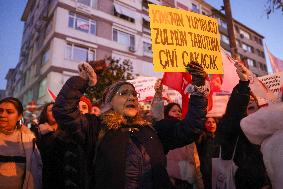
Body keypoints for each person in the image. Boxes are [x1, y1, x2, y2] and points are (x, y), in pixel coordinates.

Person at [52, 61, 209, 189]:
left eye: (134, 94)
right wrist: (83, 79)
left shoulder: (153, 128)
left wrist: (199, 91)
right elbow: (63, 111)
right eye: (123, 93)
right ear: (109, 102)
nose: (132, 97)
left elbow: (191, 129)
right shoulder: (95, 127)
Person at [216, 62, 271, 189]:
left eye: (253, 99)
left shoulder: (272, 130)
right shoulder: (235, 129)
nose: (250, 100)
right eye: (247, 99)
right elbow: (233, 114)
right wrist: (243, 84)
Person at [241, 91, 283, 189]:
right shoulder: (239, 133)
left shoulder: (275, 127)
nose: (250, 101)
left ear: (258, 104)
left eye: (252, 99)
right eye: (246, 101)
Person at [0, 97, 42, 189]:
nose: (2, 115)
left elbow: (35, 172)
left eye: (9, 112)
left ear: (19, 116)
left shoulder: (29, 139)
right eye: (0, 111)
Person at [196, 117, 219, 189]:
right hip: (207, 171)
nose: (211, 124)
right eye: (208, 122)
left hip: (218, 170)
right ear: (204, 125)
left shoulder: (219, 138)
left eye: (213, 122)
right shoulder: (202, 137)